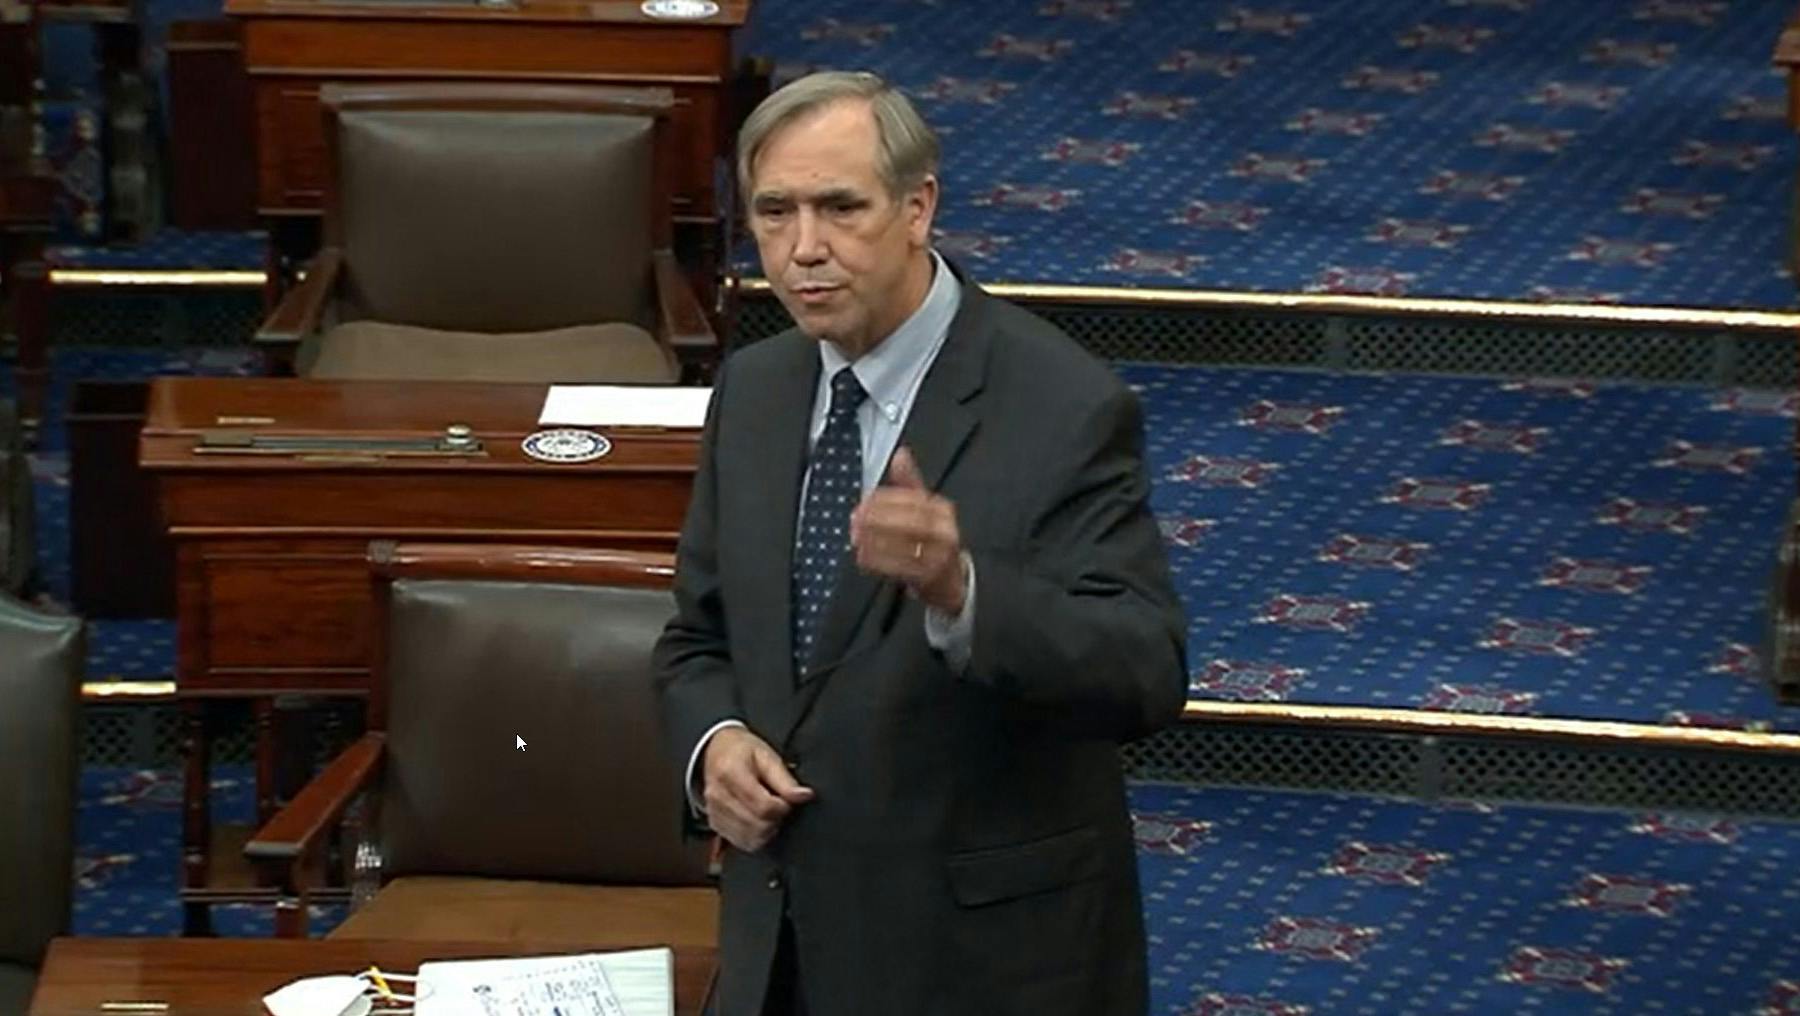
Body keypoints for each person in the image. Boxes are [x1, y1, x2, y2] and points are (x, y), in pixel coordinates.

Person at [654, 70, 1188, 1016]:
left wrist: (963, 590)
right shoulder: (756, 389)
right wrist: (716, 743)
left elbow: (1144, 670)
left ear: (917, 207)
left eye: (839, 208)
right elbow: (699, 639)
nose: (804, 249)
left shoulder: (1063, 405)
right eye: (774, 213)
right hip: (781, 946)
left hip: (980, 962)